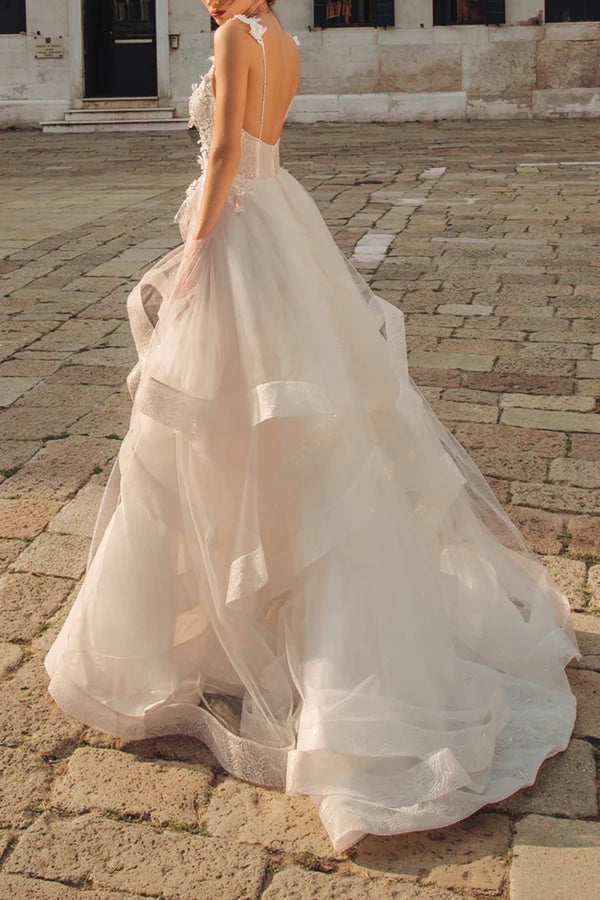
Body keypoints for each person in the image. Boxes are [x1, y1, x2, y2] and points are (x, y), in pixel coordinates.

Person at [45, 0, 581, 855]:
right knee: (292, 433)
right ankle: (268, 607)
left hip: (238, 238)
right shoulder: (282, 39)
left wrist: (191, 255)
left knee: (208, 427)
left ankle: (226, 634)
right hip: (283, 223)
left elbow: (224, 152)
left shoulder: (231, 37)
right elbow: (263, 144)